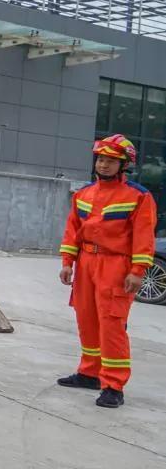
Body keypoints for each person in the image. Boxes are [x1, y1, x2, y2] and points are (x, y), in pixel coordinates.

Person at [56, 134, 157, 409]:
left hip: (115, 266)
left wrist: (137, 271)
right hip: (86, 264)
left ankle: (113, 384)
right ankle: (89, 373)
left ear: (124, 165)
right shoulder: (84, 195)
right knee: (86, 318)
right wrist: (67, 261)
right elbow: (72, 229)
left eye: (111, 161)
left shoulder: (139, 197)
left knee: (112, 325)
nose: (103, 165)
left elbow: (143, 237)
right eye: (101, 159)